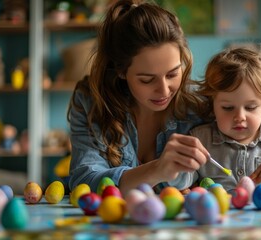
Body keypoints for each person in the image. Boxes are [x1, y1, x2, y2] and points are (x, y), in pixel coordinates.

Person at [67, 0, 209, 195]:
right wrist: (156, 170)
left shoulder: (200, 106)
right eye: (147, 80)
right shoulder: (91, 102)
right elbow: (83, 180)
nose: (164, 90)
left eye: (173, 74)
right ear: (121, 71)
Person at [176, 46, 261, 192]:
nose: (240, 117)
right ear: (212, 105)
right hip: (220, 214)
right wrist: (177, 170)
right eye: (228, 108)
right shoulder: (201, 139)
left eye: (250, 107)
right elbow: (179, 181)